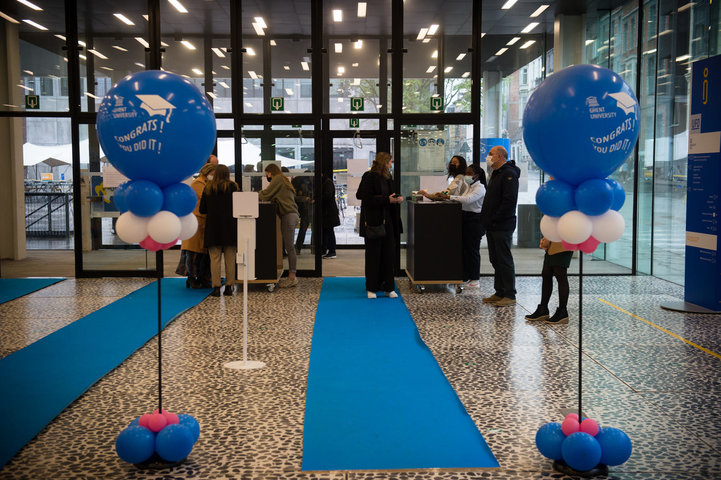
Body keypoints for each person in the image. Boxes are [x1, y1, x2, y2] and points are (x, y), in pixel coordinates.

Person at [356, 152, 403, 299]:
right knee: (373, 255)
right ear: (385, 162)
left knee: (389, 255)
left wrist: (397, 199)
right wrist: (386, 200)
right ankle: (372, 287)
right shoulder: (369, 176)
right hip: (374, 221)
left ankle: (388, 287)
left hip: (389, 221)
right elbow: (363, 196)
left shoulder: (388, 178)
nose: (391, 164)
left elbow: (390, 196)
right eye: (390, 162)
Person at [480, 145, 520, 307]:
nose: (488, 156)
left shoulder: (509, 174)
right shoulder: (496, 173)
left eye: (491, 154)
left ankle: (510, 294)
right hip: (492, 224)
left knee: (504, 260)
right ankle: (500, 291)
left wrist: (496, 218)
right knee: (495, 259)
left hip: (502, 224)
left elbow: (509, 201)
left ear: (500, 157)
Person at [436, 163, 486, 288]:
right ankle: (465, 275)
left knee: (473, 250)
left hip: (475, 220)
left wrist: (449, 196)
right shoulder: (469, 186)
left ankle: (475, 278)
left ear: (477, 175)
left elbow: (467, 200)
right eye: (466, 173)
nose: (467, 176)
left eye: (469, 174)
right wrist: (446, 197)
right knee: (465, 249)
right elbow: (461, 198)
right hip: (465, 218)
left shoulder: (480, 188)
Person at [199, 164, 238, 297]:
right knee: (230, 258)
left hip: (213, 228)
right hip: (230, 227)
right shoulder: (233, 187)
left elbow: (202, 209)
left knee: (214, 259)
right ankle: (229, 286)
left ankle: (216, 287)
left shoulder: (208, 187)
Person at [175, 162, 216, 288]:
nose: (214, 176)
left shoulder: (206, 182)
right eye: (213, 173)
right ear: (207, 172)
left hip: (203, 221)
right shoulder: (198, 183)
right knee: (193, 253)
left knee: (201, 253)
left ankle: (202, 277)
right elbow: (206, 200)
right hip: (196, 221)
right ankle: (191, 278)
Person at [259, 163, 300, 288]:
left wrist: (253, 195)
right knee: (289, 246)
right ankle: (292, 276)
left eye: (266, 174)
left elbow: (266, 194)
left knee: (289, 247)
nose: (267, 177)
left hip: (288, 215)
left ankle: (292, 277)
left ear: (270, 172)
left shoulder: (277, 179)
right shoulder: (283, 179)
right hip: (291, 214)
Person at [525, 238, 572, 324]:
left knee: (560, 274)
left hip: (564, 242)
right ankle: (543, 308)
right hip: (552, 244)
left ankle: (562, 312)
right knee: (546, 273)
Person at [292, 170, 313, 254]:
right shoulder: (308, 184)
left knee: (303, 230)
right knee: (306, 229)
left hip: (302, 209)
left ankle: (298, 248)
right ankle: (313, 249)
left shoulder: (299, 183)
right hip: (307, 209)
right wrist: (305, 198)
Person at [321, 173, 340, 258]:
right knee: (326, 231)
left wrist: (317, 198)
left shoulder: (327, 183)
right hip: (328, 212)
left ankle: (332, 251)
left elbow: (327, 196)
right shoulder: (326, 182)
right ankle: (324, 250)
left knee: (329, 231)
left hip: (329, 212)